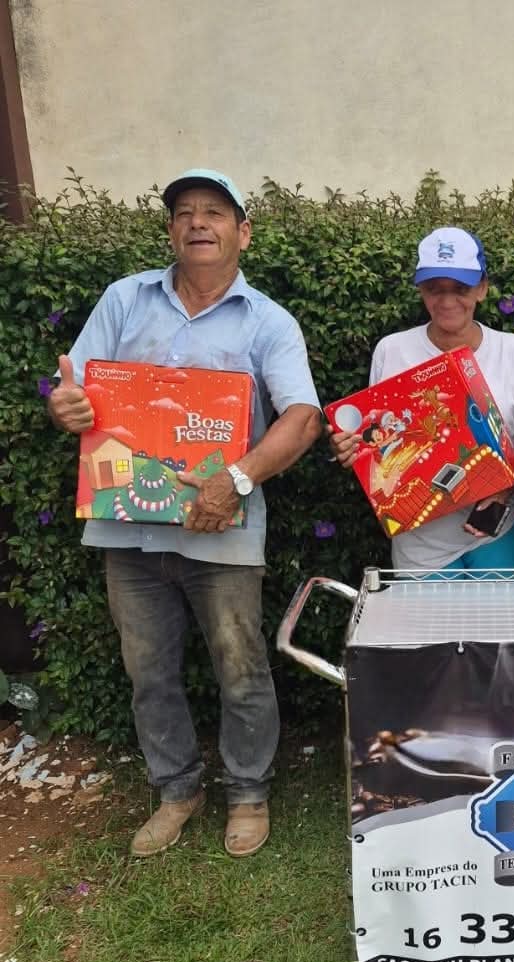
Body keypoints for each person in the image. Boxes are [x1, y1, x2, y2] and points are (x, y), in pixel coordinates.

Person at [47, 169, 321, 859]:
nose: (199, 223)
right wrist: (66, 406)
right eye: (185, 213)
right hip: (126, 527)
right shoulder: (124, 300)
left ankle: (249, 794)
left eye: (215, 213)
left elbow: (302, 419)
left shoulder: (268, 321)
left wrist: (236, 478)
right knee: (148, 671)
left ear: (242, 231)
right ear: (170, 229)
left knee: (240, 664)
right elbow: (74, 389)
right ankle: (176, 791)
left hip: (219, 527)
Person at [330, 226, 514, 571]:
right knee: (427, 627)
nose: (446, 302)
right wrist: (354, 449)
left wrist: (502, 492)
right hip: (418, 541)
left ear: (482, 288)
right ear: (420, 290)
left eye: (460, 289)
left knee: (499, 626)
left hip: (495, 532)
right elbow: (378, 445)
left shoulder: (513, 351)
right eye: (434, 289)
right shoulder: (392, 350)